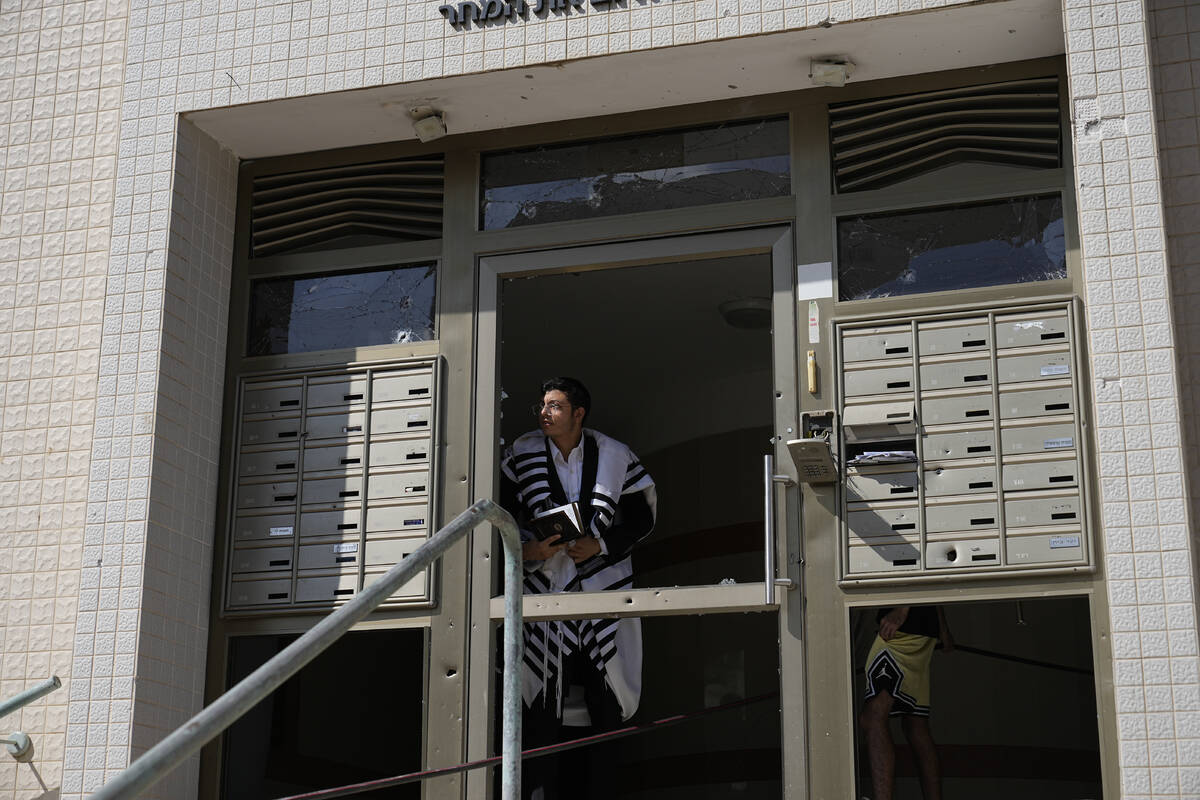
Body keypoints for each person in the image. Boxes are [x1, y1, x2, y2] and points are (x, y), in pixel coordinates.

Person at [500, 377, 656, 800]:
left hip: (601, 593)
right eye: (542, 405)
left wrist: (601, 544)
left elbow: (642, 518)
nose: (544, 413)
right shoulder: (520, 452)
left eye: (554, 406)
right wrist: (526, 547)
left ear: (578, 413)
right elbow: (500, 512)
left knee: (605, 706)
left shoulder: (613, 454)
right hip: (544, 594)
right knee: (540, 711)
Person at [860, 605, 953, 800]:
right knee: (915, 725)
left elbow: (925, 574)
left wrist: (902, 609)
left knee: (873, 716)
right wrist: (942, 627)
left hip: (901, 629)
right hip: (919, 626)